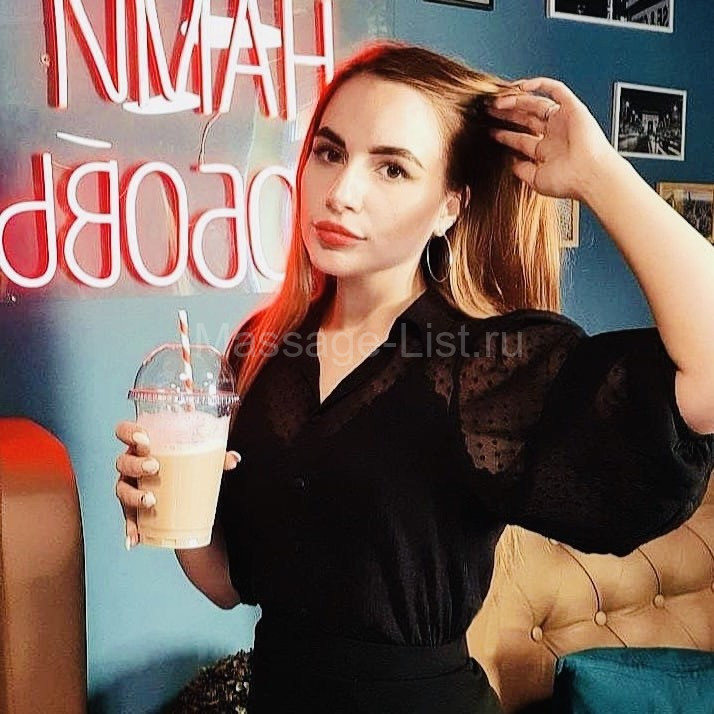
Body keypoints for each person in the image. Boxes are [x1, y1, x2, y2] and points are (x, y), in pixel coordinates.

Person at [114, 41, 714, 713]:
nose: (341, 193)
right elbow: (230, 584)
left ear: (449, 207)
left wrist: (602, 174)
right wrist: (170, 508)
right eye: (329, 153)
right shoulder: (262, 349)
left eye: (393, 168)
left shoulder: (484, 366)